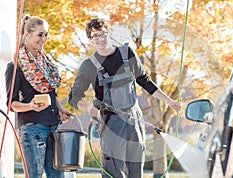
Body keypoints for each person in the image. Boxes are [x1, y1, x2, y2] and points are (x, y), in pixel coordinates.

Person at [68, 18, 182, 178]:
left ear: (109, 33)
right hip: (110, 124)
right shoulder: (89, 66)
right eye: (95, 36)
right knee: (113, 173)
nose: (100, 39)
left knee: (136, 172)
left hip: (134, 120)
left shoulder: (127, 54)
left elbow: (145, 81)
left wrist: (169, 101)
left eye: (103, 34)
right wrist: (87, 107)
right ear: (90, 39)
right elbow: (74, 97)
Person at [5, 15, 71, 178]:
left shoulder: (46, 64)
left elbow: (50, 92)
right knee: (34, 175)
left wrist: (60, 109)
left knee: (58, 176)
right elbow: (11, 104)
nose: (44, 39)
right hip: (32, 128)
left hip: (52, 126)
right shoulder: (16, 66)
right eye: (40, 34)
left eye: (46, 34)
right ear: (27, 34)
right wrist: (30, 106)